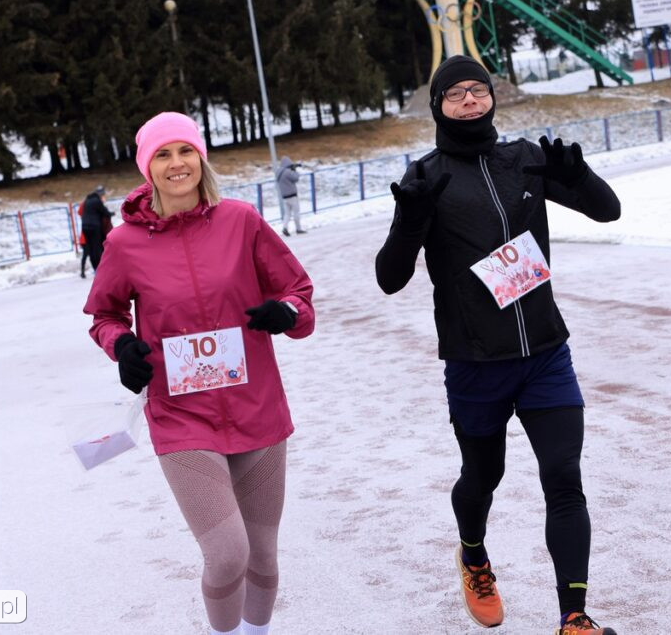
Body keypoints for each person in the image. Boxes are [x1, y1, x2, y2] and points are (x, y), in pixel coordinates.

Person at [374, 56, 621, 634]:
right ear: (438, 106)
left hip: (545, 353)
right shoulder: (426, 177)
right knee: (483, 475)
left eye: (477, 90)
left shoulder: (525, 159)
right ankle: (474, 554)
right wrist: (410, 220)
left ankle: (574, 617)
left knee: (563, 477)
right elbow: (389, 278)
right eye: (454, 93)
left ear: (491, 96)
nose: (468, 100)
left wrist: (579, 176)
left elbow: (609, 211)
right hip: (475, 362)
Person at [83, 112, 315, 635]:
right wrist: (121, 346)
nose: (177, 164)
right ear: (147, 168)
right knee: (228, 552)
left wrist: (285, 312)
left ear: (201, 158)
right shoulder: (123, 243)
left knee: (262, 555)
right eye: (162, 155)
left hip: (256, 408)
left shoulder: (241, 221)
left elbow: (298, 293)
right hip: (181, 415)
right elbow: (105, 316)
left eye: (185, 151)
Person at [80, 185, 113, 271]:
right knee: (97, 247)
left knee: (90, 247)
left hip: (85, 227)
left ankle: (95, 267)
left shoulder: (87, 200)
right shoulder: (97, 201)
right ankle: (100, 267)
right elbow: (104, 212)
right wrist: (111, 214)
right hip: (94, 226)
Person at [275, 156, 305, 237]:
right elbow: (296, 178)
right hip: (292, 195)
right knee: (296, 212)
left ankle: (285, 228)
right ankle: (298, 228)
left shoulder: (278, 172)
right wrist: (294, 170)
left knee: (287, 214)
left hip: (284, 196)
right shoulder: (287, 172)